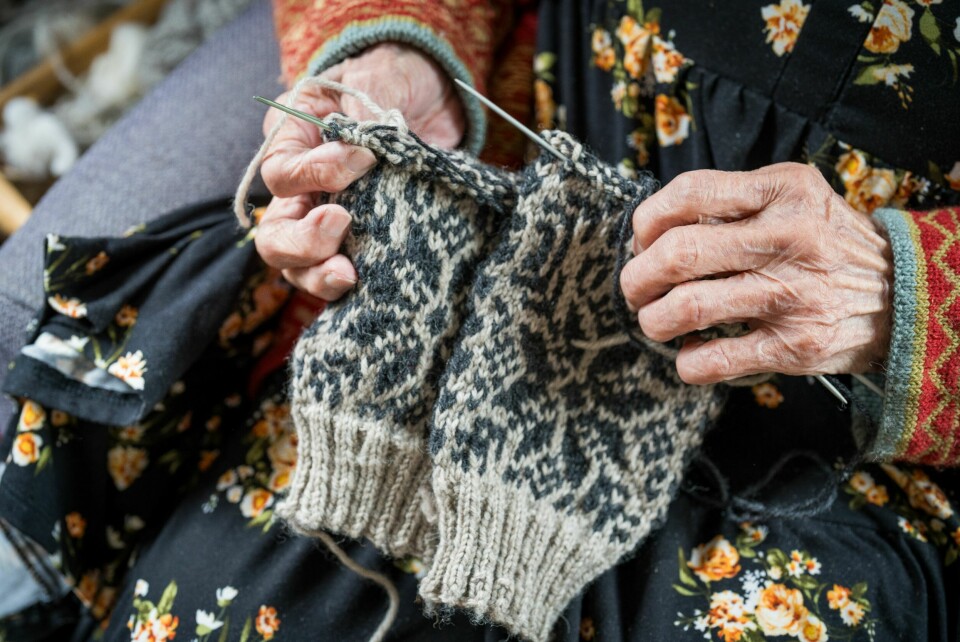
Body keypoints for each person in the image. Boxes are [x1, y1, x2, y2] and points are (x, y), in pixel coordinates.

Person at [0, 0, 958, 640]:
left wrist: (902, 290)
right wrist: (399, 52)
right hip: (515, 279)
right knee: (244, 595)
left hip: (865, 452)